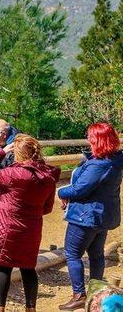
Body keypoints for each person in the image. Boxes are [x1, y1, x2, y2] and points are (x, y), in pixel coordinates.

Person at [0, 134, 60, 312]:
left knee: (4, 267)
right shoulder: (47, 177)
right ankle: (31, 308)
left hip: (7, 226)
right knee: (28, 268)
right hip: (31, 228)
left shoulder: (13, 174)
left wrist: (0, 151)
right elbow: (46, 208)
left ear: (19, 153)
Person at [57, 122, 123, 311]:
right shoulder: (113, 160)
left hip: (86, 216)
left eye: (90, 137)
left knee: (72, 253)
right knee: (96, 254)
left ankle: (79, 294)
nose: (88, 139)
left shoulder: (100, 165)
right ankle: (96, 293)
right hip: (100, 216)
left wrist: (61, 193)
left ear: (99, 140)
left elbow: (79, 189)